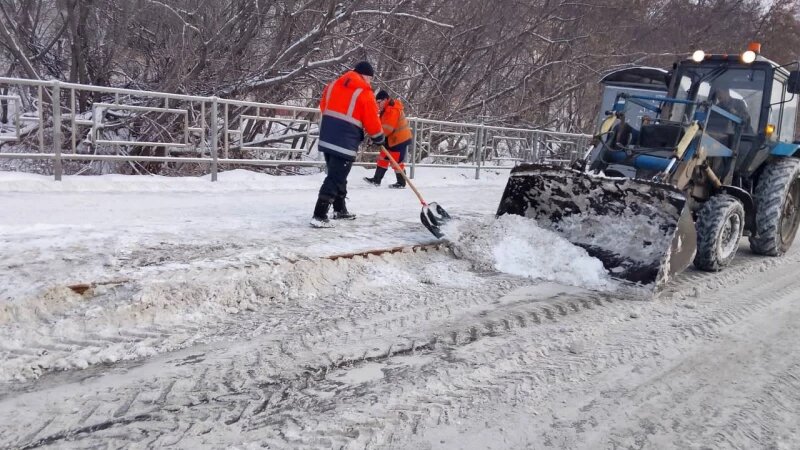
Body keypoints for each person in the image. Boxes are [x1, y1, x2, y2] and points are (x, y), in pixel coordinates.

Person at [311, 61, 385, 228]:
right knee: (335, 177)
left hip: (327, 135)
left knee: (338, 175)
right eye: (370, 79)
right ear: (366, 77)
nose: (370, 83)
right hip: (344, 140)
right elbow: (372, 119)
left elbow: (324, 107)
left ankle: (340, 209)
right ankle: (319, 215)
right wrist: (378, 137)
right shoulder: (364, 93)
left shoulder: (332, 85)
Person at [364, 90, 413, 188]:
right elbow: (382, 126)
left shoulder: (392, 110)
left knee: (396, 162)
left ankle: (401, 182)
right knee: (383, 158)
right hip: (391, 138)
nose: (378, 105)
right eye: (376, 103)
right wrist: (375, 136)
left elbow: (388, 128)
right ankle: (376, 180)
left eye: (379, 102)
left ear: (385, 100)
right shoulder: (386, 109)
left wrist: (377, 138)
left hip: (399, 140)